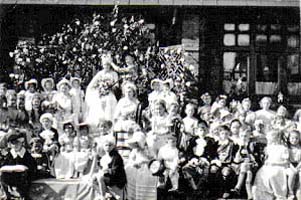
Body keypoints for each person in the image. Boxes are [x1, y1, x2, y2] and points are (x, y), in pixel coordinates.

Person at [252, 130, 290, 200]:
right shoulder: (268, 148)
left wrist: (275, 163)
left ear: (275, 138)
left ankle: (278, 194)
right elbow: (266, 158)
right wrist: (266, 161)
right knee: (259, 174)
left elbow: (286, 162)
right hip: (268, 166)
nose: (268, 139)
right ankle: (263, 195)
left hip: (279, 166)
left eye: (270, 137)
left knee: (272, 175)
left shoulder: (283, 148)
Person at [85, 52, 119, 129]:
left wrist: (110, 86)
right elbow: (91, 85)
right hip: (100, 94)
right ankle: (100, 127)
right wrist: (99, 88)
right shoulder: (100, 74)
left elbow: (117, 85)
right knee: (99, 108)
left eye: (108, 65)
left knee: (110, 107)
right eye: (105, 65)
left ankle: (110, 126)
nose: (106, 66)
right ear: (102, 65)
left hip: (110, 94)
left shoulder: (114, 74)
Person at [0, 131, 37, 200]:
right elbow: (3, 165)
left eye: (18, 143)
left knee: (25, 175)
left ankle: (23, 195)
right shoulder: (8, 154)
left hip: (24, 179)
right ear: (10, 145)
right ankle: (7, 194)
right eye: (13, 143)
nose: (15, 145)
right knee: (3, 175)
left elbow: (32, 167)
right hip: (11, 177)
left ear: (22, 143)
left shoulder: (26, 155)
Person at [92, 135, 127, 200]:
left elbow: (115, 171)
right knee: (93, 180)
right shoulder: (104, 157)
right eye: (106, 145)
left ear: (113, 146)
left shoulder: (116, 157)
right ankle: (110, 193)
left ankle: (103, 196)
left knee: (100, 177)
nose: (108, 147)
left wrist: (105, 171)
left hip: (117, 179)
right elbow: (101, 168)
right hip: (109, 177)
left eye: (110, 145)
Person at [126, 131, 157, 200]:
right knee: (137, 186)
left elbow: (154, 159)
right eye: (135, 143)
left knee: (145, 187)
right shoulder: (135, 150)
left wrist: (144, 161)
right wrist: (134, 163)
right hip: (138, 169)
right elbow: (131, 159)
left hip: (147, 169)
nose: (136, 145)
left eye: (137, 143)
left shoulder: (149, 149)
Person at [231, 129, 257, 200]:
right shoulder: (238, 146)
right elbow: (236, 159)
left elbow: (253, 157)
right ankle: (249, 194)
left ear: (249, 137)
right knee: (246, 169)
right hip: (239, 165)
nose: (243, 138)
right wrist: (240, 149)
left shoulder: (251, 145)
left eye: (245, 136)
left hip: (250, 165)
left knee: (247, 169)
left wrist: (251, 159)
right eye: (242, 136)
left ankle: (238, 187)